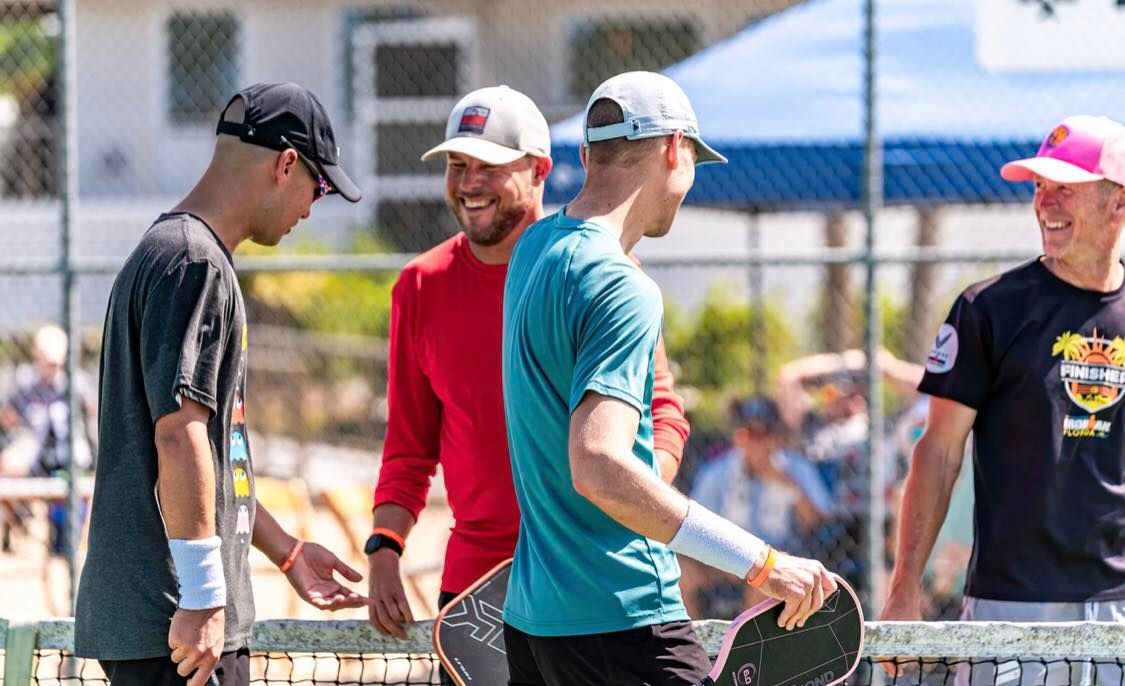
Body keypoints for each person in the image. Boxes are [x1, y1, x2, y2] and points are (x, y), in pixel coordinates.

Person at [501, 71, 836, 685]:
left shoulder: (533, 249)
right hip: (622, 620)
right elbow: (598, 465)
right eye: (694, 160)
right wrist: (761, 564)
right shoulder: (621, 285)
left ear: (587, 155)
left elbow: (591, 457)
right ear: (675, 150)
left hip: (533, 626)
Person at [366, 85, 691, 641]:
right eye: (458, 164)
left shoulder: (604, 270)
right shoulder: (419, 286)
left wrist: (620, 497)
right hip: (474, 593)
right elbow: (408, 446)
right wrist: (384, 548)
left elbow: (662, 414)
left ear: (541, 170)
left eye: (490, 166)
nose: (469, 182)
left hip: (591, 583)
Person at [74, 82, 370, 686]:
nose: (312, 209)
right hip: (176, 622)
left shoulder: (176, 253)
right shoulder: (194, 263)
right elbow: (179, 436)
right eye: (317, 188)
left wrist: (286, 551)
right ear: (286, 164)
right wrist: (205, 596)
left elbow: (212, 455)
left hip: (166, 620)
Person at [882, 115, 1125, 685]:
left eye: (1066, 187)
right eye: (1039, 187)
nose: (1045, 203)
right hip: (1011, 606)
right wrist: (903, 592)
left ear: (1118, 204)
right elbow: (937, 452)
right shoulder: (988, 309)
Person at [679, 396, 832, 619]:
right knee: (682, 574)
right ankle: (701, 646)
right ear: (739, 437)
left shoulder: (795, 467)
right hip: (725, 558)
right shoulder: (718, 471)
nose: (758, 442)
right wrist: (729, 559)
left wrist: (785, 482)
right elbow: (694, 523)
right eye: (750, 433)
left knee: (763, 578)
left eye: (765, 433)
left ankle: (736, 648)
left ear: (778, 436)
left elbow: (816, 522)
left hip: (782, 559)